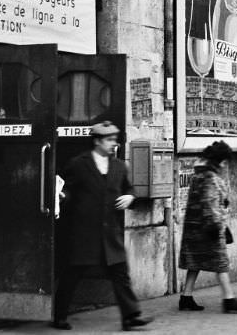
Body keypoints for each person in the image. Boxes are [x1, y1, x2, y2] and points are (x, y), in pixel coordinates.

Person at [53, 121, 152, 330]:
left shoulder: (118, 166)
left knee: (120, 273)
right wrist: (63, 196)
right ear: (97, 141)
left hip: (110, 232)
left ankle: (131, 316)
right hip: (84, 232)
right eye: (108, 140)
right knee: (73, 274)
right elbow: (66, 188)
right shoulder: (79, 164)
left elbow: (130, 189)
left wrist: (129, 197)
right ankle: (59, 315)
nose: (113, 144)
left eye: (114, 140)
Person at [178, 141, 237, 313]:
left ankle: (186, 297)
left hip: (194, 229)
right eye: (224, 161)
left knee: (195, 262)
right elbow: (210, 205)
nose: (225, 165)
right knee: (220, 263)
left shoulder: (198, 176)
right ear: (219, 161)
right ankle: (229, 299)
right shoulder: (211, 178)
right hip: (209, 229)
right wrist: (217, 226)